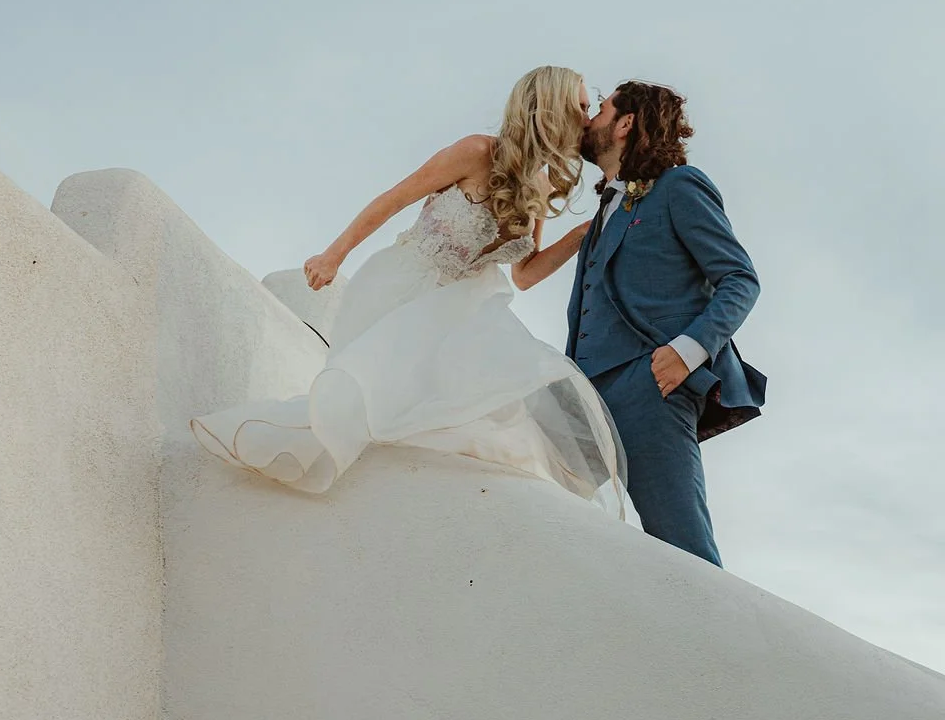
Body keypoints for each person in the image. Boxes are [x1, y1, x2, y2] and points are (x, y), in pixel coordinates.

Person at [190, 67, 626, 508]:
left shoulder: (540, 186)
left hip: (461, 308)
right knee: (375, 402)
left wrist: (587, 231)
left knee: (492, 411)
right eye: (582, 105)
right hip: (404, 289)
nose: (588, 117)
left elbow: (525, 274)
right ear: (550, 106)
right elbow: (393, 199)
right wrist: (333, 255)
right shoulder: (476, 151)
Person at [528, 80, 764, 566]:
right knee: (533, 511)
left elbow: (740, 279)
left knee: (682, 550)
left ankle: (708, 641)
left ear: (626, 123)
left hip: (650, 386)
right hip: (581, 392)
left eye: (600, 110)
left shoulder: (680, 186)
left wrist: (687, 350)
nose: (588, 119)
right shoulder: (602, 212)